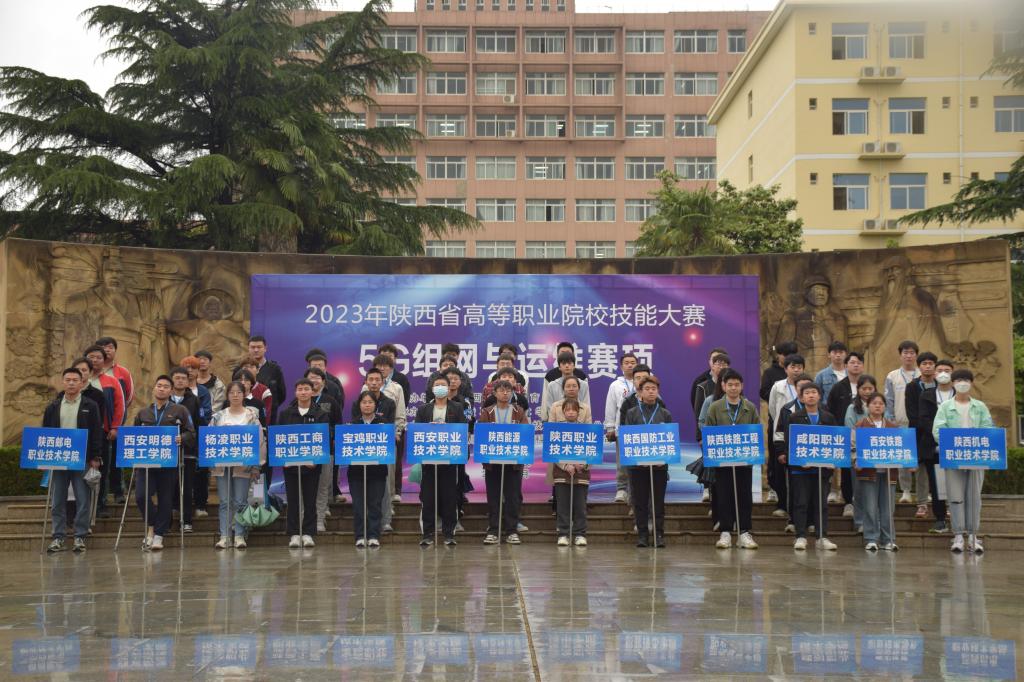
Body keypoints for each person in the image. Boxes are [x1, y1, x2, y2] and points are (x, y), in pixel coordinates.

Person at [932, 368, 994, 554]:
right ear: (953, 383)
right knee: (955, 496)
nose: (962, 383)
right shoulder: (945, 407)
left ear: (971, 383)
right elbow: (937, 431)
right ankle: (958, 535)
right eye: (959, 380)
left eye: (966, 380)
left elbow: (988, 428)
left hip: (976, 457)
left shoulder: (980, 406)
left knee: (974, 496)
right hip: (953, 457)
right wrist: (952, 442)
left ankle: (973, 535)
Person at [44, 367, 104, 554]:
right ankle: (58, 537)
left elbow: (96, 432)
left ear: (81, 383)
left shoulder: (90, 405)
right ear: (62, 382)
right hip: (59, 459)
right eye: (68, 380)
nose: (71, 383)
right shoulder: (53, 406)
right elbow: (45, 433)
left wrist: (95, 457)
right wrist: (43, 458)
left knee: (83, 499)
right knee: (58, 499)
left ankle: (80, 536)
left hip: (82, 459)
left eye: (75, 380)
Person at [133, 375, 196, 551]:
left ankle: (158, 535)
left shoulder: (180, 410)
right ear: (154, 388)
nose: (162, 389)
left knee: (165, 499)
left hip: (169, 462)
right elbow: (133, 436)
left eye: (166, 386)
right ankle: (152, 525)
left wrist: (182, 437)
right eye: (159, 385)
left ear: (171, 391)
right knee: (141, 496)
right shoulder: (143, 413)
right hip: (146, 463)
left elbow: (191, 433)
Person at [704, 369, 760, 550]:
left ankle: (744, 532)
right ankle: (726, 531)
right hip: (722, 461)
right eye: (730, 385)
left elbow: (756, 430)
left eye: (737, 385)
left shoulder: (750, 407)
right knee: (723, 495)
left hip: (744, 460)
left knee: (744, 495)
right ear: (723, 386)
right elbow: (708, 431)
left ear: (741, 386)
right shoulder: (715, 407)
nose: (733, 388)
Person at [208, 381, 265, 549]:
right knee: (225, 501)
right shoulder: (218, 417)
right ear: (227, 395)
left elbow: (260, 442)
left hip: (244, 466)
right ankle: (224, 536)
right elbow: (209, 439)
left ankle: (239, 535)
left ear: (244, 395)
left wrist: (257, 466)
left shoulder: (251, 417)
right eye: (231, 392)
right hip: (222, 466)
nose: (235, 395)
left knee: (241, 501)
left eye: (238, 392)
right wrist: (210, 462)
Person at [781, 383, 838, 552]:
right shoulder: (794, 417)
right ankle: (800, 536)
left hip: (822, 469)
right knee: (801, 502)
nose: (811, 395)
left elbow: (835, 441)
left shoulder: (828, 417)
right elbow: (789, 442)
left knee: (821, 504)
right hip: (801, 469)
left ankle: (822, 537)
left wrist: (831, 463)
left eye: (814, 392)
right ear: (801, 397)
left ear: (819, 396)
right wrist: (799, 461)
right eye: (807, 393)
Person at [415, 374, 468, 546]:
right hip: (429, 461)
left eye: (443, 385)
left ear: (448, 387)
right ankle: (427, 534)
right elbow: (417, 432)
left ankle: (449, 533)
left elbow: (462, 430)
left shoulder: (457, 407)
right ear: (432, 389)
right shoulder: (423, 409)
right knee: (428, 498)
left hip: (449, 461)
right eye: (437, 385)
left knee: (449, 498)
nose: (440, 388)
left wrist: (448, 429)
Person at [277, 379, 330, 548]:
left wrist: (315, 461)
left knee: (310, 499)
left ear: (312, 392)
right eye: (300, 389)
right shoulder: (286, 414)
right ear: (295, 392)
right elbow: (279, 438)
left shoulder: (320, 414)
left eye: (306, 389)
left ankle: (308, 533)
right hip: (290, 465)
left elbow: (324, 439)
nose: (303, 392)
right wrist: (284, 459)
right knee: (293, 500)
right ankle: (294, 533)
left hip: (312, 466)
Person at [478, 379, 530, 545]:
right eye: (501, 390)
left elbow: (525, 433)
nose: (505, 393)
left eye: (508, 390)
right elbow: (481, 434)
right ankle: (493, 530)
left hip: (513, 462)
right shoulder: (487, 412)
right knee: (493, 497)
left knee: (512, 497)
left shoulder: (519, 411)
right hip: (492, 463)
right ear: (494, 393)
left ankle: (512, 531)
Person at [623, 375, 673, 549]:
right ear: (640, 392)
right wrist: (637, 459)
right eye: (647, 389)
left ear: (658, 391)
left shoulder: (665, 413)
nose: (651, 392)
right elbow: (627, 439)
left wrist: (664, 459)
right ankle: (643, 535)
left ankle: (658, 535)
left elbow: (670, 439)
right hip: (637, 466)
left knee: (658, 502)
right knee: (640, 502)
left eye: (654, 389)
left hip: (659, 466)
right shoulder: (632, 413)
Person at [906, 354, 950, 531]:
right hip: (934, 445)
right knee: (937, 483)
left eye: (947, 370)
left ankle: (960, 519)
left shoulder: (959, 394)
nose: (943, 373)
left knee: (956, 483)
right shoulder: (926, 394)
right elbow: (923, 419)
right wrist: (942, 435)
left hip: (956, 446)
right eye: (940, 370)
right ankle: (940, 518)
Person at [853, 393, 899, 551]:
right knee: (870, 507)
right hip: (868, 472)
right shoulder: (860, 425)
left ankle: (888, 539)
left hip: (888, 473)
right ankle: (871, 538)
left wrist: (907, 462)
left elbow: (901, 449)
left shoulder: (893, 427)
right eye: (874, 403)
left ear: (885, 407)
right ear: (867, 406)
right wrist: (856, 460)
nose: (878, 406)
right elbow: (853, 446)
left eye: (881, 403)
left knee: (888, 508)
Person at [84, 345, 127, 506]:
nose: (94, 360)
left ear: (104, 361)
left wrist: (115, 427)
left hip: (103, 431)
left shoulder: (111, 381)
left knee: (102, 468)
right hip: (79, 433)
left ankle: (101, 504)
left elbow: (120, 406)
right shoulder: (78, 381)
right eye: (91, 357)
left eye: (98, 357)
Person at [773, 374, 817, 530]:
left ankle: (811, 522)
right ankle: (793, 520)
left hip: (816, 456)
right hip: (793, 457)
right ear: (796, 388)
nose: (805, 390)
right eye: (801, 387)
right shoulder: (787, 409)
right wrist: (781, 452)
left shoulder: (822, 410)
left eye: (809, 387)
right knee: (794, 490)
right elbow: (779, 432)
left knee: (814, 490)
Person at [358, 368, 399, 532]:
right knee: (364, 487)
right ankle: (367, 523)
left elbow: (390, 427)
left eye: (377, 379)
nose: (374, 383)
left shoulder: (389, 402)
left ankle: (386, 520)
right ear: (366, 382)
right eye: (371, 379)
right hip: (362, 450)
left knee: (385, 487)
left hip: (383, 450)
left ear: (383, 382)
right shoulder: (358, 401)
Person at [826, 351, 865, 515]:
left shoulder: (867, 384)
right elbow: (830, 410)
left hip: (866, 436)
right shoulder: (838, 387)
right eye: (852, 362)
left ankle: (863, 503)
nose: (855, 365)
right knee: (847, 469)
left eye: (859, 362)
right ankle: (848, 502)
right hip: (844, 434)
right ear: (846, 365)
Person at [349, 391, 389, 548]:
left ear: (375, 405)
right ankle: (360, 536)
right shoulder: (352, 425)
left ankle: (373, 535)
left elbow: (389, 447)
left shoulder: (383, 424)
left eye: (370, 402)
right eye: (364, 402)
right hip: (356, 473)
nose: (367, 405)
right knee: (358, 506)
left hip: (377, 472)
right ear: (359, 405)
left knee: (375, 505)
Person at [305, 367, 343, 533]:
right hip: (304, 451)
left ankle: (320, 519)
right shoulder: (297, 402)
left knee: (323, 485)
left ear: (323, 381)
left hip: (326, 449)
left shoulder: (331, 401)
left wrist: (330, 435)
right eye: (310, 377)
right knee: (307, 487)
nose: (313, 381)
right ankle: (308, 519)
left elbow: (338, 424)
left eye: (317, 378)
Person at [884, 341, 922, 506]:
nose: (908, 356)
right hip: (900, 423)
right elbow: (889, 400)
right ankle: (906, 491)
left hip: (920, 425)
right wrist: (891, 421)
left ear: (916, 355)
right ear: (900, 355)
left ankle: (922, 493)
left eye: (912, 353)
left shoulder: (922, 374)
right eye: (905, 352)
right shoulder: (892, 376)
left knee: (921, 460)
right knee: (903, 459)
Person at [760, 341, 797, 506]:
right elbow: (764, 392)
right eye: (785, 355)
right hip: (776, 422)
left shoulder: (800, 376)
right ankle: (773, 488)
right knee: (776, 456)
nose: (788, 358)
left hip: (796, 424)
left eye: (792, 354)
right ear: (779, 355)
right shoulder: (770, 373)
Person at [767, 354, 805, 514]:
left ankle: (800, 510)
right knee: (781, 472)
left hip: (804, 436)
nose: (796, 370)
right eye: (793, 367)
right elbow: (772, 409)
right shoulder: (778, 387)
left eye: (799, 367)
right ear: (785, 369)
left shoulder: (808, 386)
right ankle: (782, 505)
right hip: (783, 434)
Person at [168, 366, 203, 533]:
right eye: (177, 378)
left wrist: (195, 446)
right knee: (168, 486)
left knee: (187, 487)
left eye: (183, 378)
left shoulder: (194, 400)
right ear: (172, 380)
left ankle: (187, 520)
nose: (180, 381)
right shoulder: (165, 398)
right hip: (167, 450)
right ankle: (166, 521)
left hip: (188, 450)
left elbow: (199, 424)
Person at [843, 374, 879, 534]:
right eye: (864, 388)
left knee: (875, 490)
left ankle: (875, 521)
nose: (867, 391)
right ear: (858, 390)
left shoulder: (880, 405)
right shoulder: (852, 408)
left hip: (877, 453)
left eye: (870, 388)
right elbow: (850, 428)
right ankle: (859, 521)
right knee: (859, 490)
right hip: (857, 453)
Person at [374, 347, 410, 498]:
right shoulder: (367, 385)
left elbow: (401, 410)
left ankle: (394, 492)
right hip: (372, 432)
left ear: (391, 367)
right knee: (375, 464)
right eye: (379, 366)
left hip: (392, 431)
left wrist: (397, 430)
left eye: (385, 366)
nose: (382, 368)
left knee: (393, 462)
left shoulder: (397, 386)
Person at [553, 397, 589, 546]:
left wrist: (583, 464)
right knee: (563, 506)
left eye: (574, 410)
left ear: (579, 412)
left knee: (580, 506)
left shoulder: (586, 430)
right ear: (563, 412)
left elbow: (592, 450)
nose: (571, 412)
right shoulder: (556, 430)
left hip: (581, 473)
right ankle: (563, 534)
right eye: (567, 410)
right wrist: (565, 465)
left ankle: (580, 534)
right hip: (562, 473)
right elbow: (553, 450)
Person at [181, 356, 213, 520]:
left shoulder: (203, 391)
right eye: (186, 368)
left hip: (200, 434)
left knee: (201, 472)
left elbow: (206, 413)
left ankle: (201, 504)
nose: (190, 371)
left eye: (193, 368)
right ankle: (179, 506)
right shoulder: (177, 390)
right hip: (182, 438)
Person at [604, 352, 638, 504]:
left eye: (633, 362)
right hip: (622, 427)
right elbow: (610, 407)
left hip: (641, 429)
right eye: (627, 363)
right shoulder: (615, 385)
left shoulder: (646, 381)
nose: (630, 365)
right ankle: (622, 489)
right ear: (621, 366)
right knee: (622, 461)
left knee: (638, 462)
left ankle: (636, 491)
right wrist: (610, 428)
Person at [541, 352, 591, 421]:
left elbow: (586, 406)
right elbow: (549, 408)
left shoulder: (583, 384)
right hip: (558, 423)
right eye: (564, 363)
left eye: (569, 363)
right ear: (559, 367)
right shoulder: (552, 385)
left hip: (580, 423)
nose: (567, 366)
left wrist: (575, 422)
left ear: (574, 366)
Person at [247, 335, 285, 424]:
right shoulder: (241, 369)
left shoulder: (275, 369)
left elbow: (281, 394)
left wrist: (270, 406)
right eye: (253, 347)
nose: (256, 350)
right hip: (246, 417)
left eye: (259, 347)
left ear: (265, 348)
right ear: (248, 348)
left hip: (269, 416)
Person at [95, 335, 135, 408]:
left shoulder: (123, 372)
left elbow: (129, 397)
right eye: (103, 347)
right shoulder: (90, 370)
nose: (107, 350)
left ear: (115, 351)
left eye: (110, 347)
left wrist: (119, 409)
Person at [692, 352, 730, 427]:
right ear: (712, 365)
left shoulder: (733, 386)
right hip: (711, 431)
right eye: (719, 364)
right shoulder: (702, 387)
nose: (721, 367)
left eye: (724, 364)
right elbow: (699, 417)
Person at [236, 355, 273, 419]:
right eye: (246, 367)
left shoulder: (265, 391)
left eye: (251, 367)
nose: (248, 369)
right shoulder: (234, 389)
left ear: (258, 370)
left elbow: (266, 416)